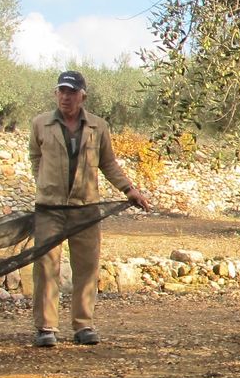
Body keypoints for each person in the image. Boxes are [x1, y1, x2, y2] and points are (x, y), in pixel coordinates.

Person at [28, 70, 151, 347]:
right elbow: (35, 156)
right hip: (50, 208)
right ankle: (46, 327)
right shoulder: (40, 124)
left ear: (82, 95)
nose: (65, 97)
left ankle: (83, 326)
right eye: (61, 91)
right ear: (55, 93)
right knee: (46, 267)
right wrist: (43, 182)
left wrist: (129, 190)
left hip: (86, 208)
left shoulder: (98, 126)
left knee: (86, 268)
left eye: (71, 92)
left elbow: (108, 163)